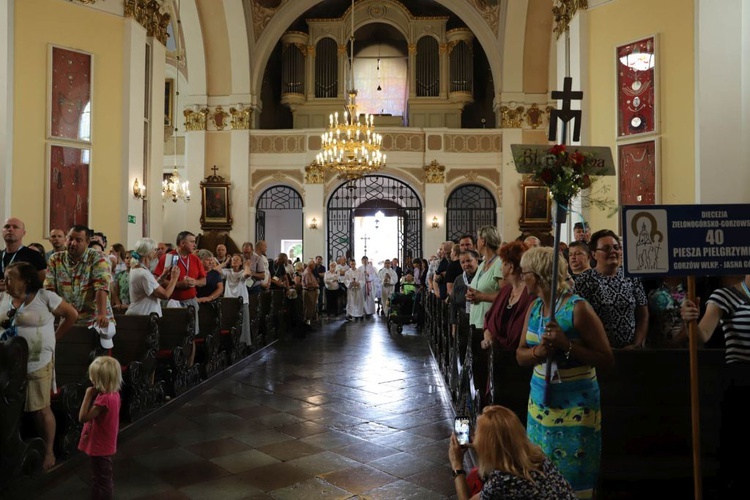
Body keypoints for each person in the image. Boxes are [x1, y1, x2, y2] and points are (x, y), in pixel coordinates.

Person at [516, 247, 614, 498]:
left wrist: (566, 345)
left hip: (575, 408)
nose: (521, 276)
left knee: (571, 478)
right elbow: (520, 355)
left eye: (524, 272)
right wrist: (539, 352)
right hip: (540, 405)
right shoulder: (535, 308)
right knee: (541, 471)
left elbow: (606, 359)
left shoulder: (577, 308)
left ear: (536, 276)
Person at [0, 261, 78, 471]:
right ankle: (13, 449)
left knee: (40, 410)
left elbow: (72, 315)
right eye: (5, 277)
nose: (5, 281)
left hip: (37, 362)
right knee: (9, 408)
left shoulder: (45, 297)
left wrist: (55, 338)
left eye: (10, 277)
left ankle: (49, 450)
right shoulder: (4, 298)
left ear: (25, 280)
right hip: (8, 365)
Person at [681, 274, 750, 497]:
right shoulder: (726, 295)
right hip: (741, 381)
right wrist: (690, 319)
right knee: (738, 452)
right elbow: (702, 336)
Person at [449, 405, 577, 500]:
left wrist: (457, 466)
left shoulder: (502, 480)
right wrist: (481, 446)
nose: (474, 435)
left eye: (477, 433)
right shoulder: (538, 457)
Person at [573, 229, 649, 348]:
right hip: (600, 352)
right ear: (594, 254)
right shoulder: (585, 280)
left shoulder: (631, 277)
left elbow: (643, 314)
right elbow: (580, 322)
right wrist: (603, 348)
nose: (613, 251)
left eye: (616, 247)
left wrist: (636, 344)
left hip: (632, 352)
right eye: (606, 248)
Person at [45, 225, 114, 329]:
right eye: (70, 238)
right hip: (67, 318)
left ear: (87, 242)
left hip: (95, 318)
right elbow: (49, 288)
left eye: (78, 240)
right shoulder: (55, 259)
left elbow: (101, 286)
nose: (73, 243)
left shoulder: (98, 257)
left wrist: (101, 314)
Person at [78, 356, 122, 499]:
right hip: (105, 442)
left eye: (94, 378)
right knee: (99, 476)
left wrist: (88, 395)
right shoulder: (114, 394)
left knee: (103, 479)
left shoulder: (104, 399)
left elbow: (83, 417)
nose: (91, 381)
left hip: (100, 445)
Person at [481, 241, 534, 352]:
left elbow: (519, 334)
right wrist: (487, 337)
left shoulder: (530, 293)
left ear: (511, 267)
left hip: (517, 357)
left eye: (503, 263)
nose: (500, 267)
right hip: (496, 355)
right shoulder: (506, 290)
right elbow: (489, 319)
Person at [126, 238, 179, 317]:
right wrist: (174, 278)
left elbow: (151, 286)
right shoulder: (143, 273)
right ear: (148, 252)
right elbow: (165, 295)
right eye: (155, 250)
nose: (156, 252)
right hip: (144, 315)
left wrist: (163, 276)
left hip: (140, 313)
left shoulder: (136, 268)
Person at [1, 217, 48, 293]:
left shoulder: (34, 256)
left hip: (24, 300)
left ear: (23, 233)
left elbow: (42, 283)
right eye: (7, 227)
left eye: (15, 227)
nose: (10, 229)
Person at [647, 276, 688, 347]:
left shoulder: (689, 296)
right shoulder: (653, 295)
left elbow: (692, 324)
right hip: (657, 348)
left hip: (684, 347)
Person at [221, 253, 253, 346]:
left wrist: (247, 266)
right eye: (233, 259)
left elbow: (247, 274)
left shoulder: (242, 272)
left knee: (243, 324)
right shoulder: (228, 271)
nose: (234, 261)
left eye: (237, 260)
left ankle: (243, 343)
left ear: (241, 263)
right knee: (230, 323)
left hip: (242, 301)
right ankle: (230, 343)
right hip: (229, 301)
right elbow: (215, 270)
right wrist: (225, 262)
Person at [450, 250, 479, 337]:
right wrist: (453, 325)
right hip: (462, 321)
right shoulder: (459, 280)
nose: (466, 264)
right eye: (462, 262)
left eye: (468, 260)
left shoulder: (483, 278)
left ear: (476, 260)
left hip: (479, 321)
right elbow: (453, 303)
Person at [301, 259, 318, 325]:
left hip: (311, 291)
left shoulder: (310, 272)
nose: (315, 266)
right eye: (314, 265)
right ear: (311, 265)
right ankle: (307, 323)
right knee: (308, 308)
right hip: (309, 291)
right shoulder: (307, 273)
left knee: (311, 308)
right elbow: (308, 284)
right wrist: (316, 285)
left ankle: (309, 322)